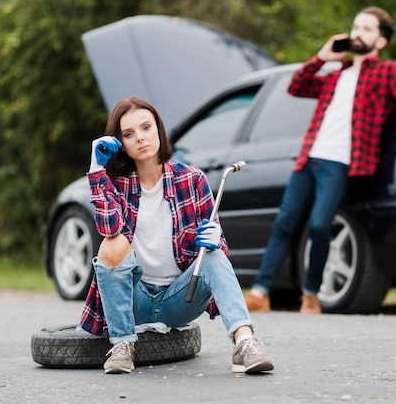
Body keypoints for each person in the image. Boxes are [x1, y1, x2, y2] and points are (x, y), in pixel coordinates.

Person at [243, 6, 396, 314]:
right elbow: (296, 86)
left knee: (319, 226)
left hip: (340, 164)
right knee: (284, 224)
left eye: (367, 29)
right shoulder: (336, 74)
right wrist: (321, 57)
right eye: (356, 27)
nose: (358, 33)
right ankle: (261, 293)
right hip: (308, 160)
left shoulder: (387, 72)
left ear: (381, 41)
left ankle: (311, 295)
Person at [78, 96, 274, 374]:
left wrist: (213, 238)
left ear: (159, 129)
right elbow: (109, 229)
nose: (140, 138)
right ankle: (122, 345)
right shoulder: (117, 183)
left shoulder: (192, 179)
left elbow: (219, 255)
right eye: (128, 134)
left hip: (180, 298)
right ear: (120, 143)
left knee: (214, 254)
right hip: (135, 300)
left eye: (146, 128)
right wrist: (97, 170)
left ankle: (245, 342)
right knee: (112, 244)